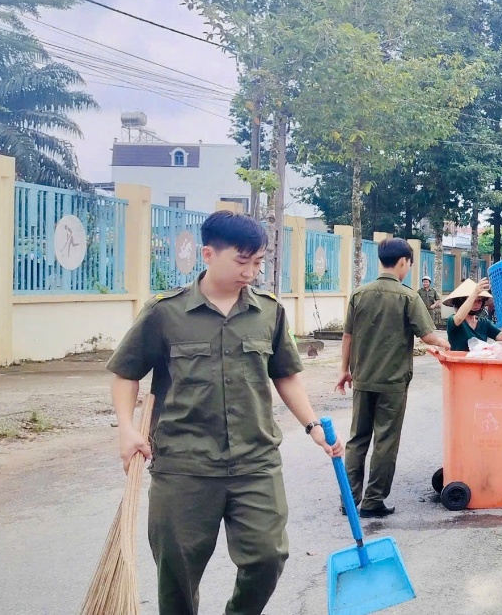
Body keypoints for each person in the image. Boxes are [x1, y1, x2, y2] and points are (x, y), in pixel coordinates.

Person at [107, 211, 342, 615]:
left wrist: (312, 425)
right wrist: (127, 430)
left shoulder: (268, 311)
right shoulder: (165, 312)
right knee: (177, 574)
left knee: (268, 556)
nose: (251, 272)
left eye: (258, 262)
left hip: (255, 461)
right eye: (242, 261)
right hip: (184, 466)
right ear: (209, 254)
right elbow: (126, 373)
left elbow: (285, 375)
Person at [337, 238, 451, 519]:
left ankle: (350, 500)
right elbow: (428, 336)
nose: (408, 269)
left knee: (357, 439)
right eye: (409, 264)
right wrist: (445, 344)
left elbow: (347, 336)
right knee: (385, 440)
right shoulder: (408, 297)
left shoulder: (359, 294)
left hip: (362, 379)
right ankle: (373, 500)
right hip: (393, 382)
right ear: (403, 261)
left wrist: (344, 370)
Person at [444, 278, 502, 351]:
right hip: (457, 363)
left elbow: (500, 337)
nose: (477, 304)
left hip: (479, 362)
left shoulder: (483, 322)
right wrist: (474, 294)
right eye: (473, 301)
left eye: (479, 301)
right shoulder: (453, 320)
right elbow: (459, 318)